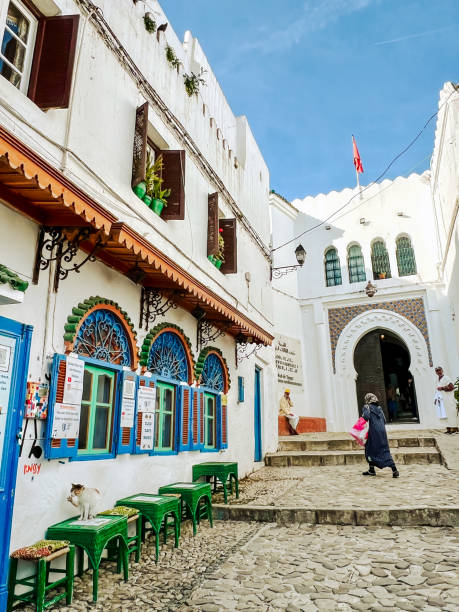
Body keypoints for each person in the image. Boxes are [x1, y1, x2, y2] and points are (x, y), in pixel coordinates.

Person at [361, 392, 399, 478]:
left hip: (373, 431)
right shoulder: (379, 408)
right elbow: (384, 420)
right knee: (384, 449)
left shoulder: (366, 407)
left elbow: (366, 417)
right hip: (382, 432)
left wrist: (362, 416)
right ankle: (394, 469)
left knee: (369, 449)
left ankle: (371, 470)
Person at [434, 366, 458, 434]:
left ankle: (454, 428)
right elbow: (436, 390)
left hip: (448, 399)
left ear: (442, 370)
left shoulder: (446, 378)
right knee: (445, 414)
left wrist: (442, 388)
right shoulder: (437, 380)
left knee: (451, 413)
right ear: (436, 372)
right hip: (442, 400)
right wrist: (436, 399)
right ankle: (448, 428)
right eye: (437, 371)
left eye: (439, 370)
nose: (438, 372)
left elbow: (451, 387)